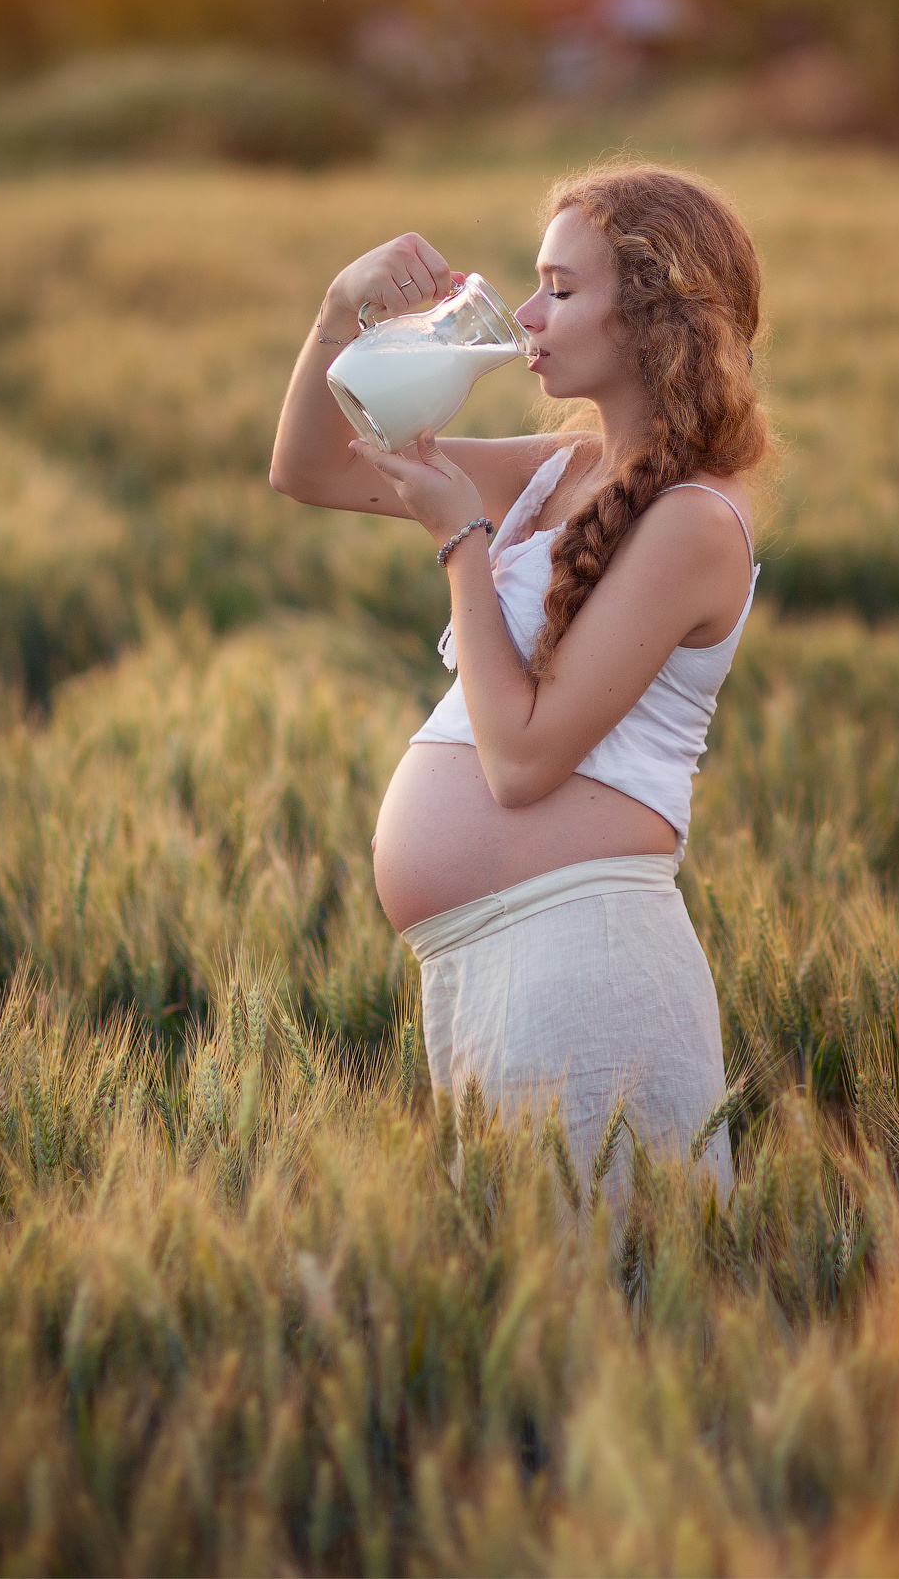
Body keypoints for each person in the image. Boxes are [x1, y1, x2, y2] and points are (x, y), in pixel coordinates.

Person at [269, 163, 771, 1207]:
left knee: (602, 1325)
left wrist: (460, 540)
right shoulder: (555, 471)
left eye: (558, 287)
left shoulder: (690, 522)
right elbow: (310, 468)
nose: (527, 314)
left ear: (649, 315)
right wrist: (340, 306)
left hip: (584, 973)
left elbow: (524, 760)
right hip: (474, 972)